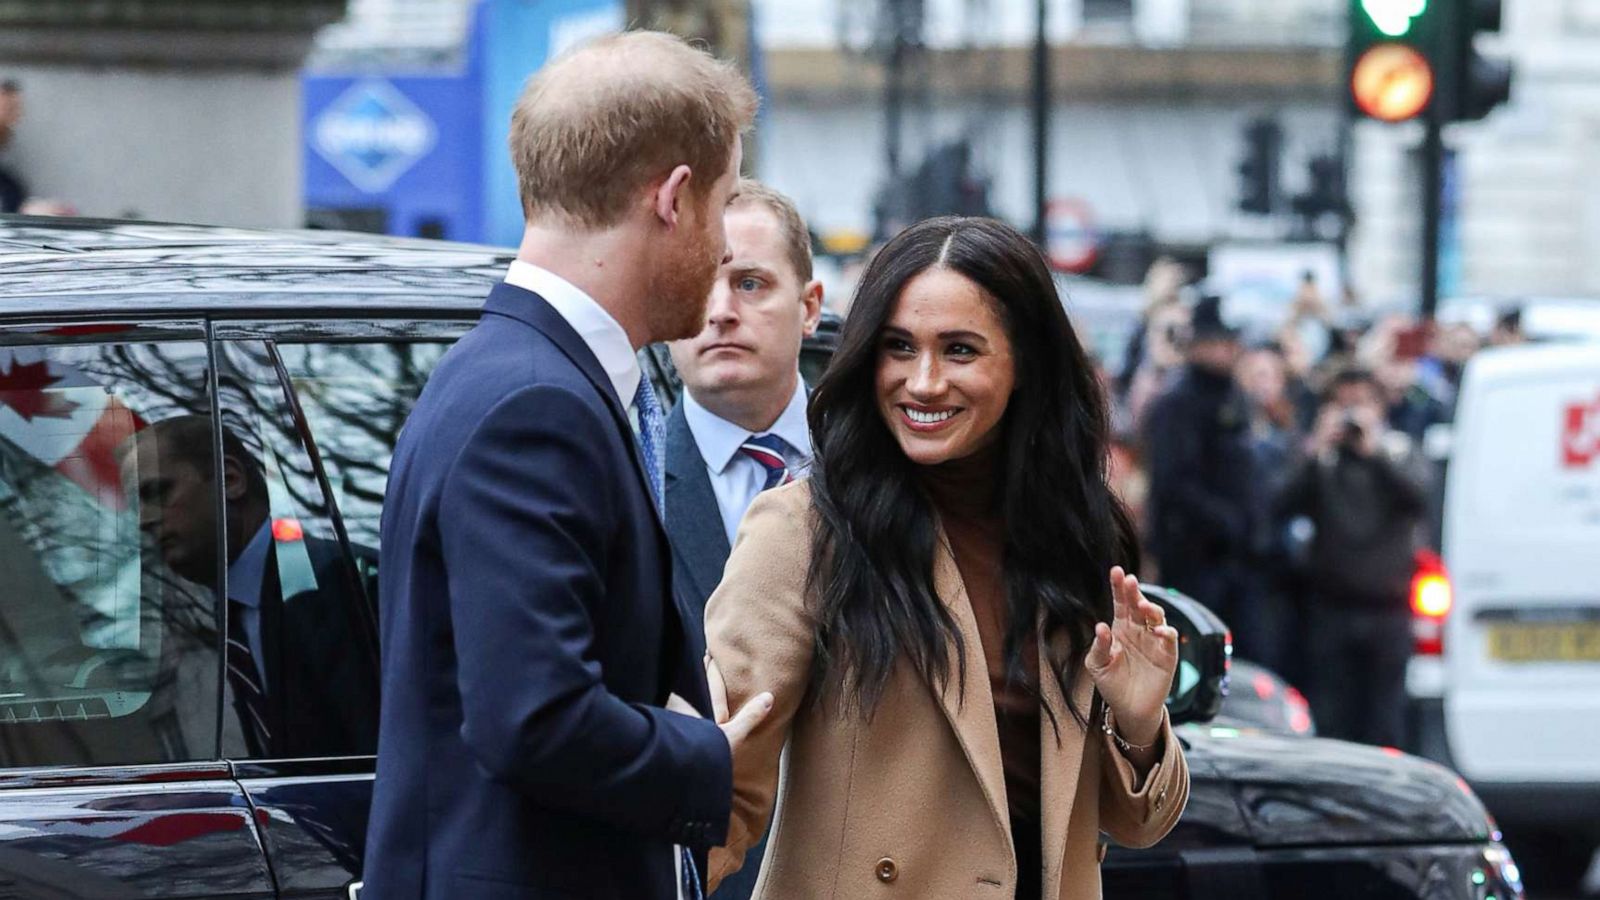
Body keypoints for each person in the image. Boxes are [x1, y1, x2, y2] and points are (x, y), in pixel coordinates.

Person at [363, 32, 770, 900]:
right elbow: (534, 719)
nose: (727, 248)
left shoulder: (509, 373)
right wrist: (711, 761)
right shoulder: (534, 404)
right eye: (727, 203)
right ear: (674, 198)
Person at [703, 217, 1188, 900]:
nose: (922, 382)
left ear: (1024, 365)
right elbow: (723, 789)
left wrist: (1139, 726)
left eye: (959, 351)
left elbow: (1137, 825)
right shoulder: (807, 529)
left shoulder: (1075, 536)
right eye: (898, 347)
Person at [665, 180, 821, 899]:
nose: (721, 309)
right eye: (701, 283)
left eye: (751, 282)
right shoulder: (613, 479)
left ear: (810, 307)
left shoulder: (893, 474)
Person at [121, 416, 378, 759]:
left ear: (231, 480)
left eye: (158, 492)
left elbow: (377, 757)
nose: (144, 520)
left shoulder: (333, 583)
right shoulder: (232, 607)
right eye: (137, 507)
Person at [1276, 368, 1433, 747]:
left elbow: (1419, 500)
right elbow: (1279, 505)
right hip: (1331, 609)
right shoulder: (1321, 460)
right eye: (1342, 403)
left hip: (1388, 609)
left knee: (1386, 722)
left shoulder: (1398, 451)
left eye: (1361, 403)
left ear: (1380, 408)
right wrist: (1316, 451)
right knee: (1332, 721)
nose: (1351, 414)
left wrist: (1374, 454)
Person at [1141, 295, 1267, 660]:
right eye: (1219, 342)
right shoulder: (1176, 403)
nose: (1228, 351)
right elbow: (1172, 483)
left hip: (1239, 560)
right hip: (1195, 559)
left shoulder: (1235, 397)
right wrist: (1226, 522)